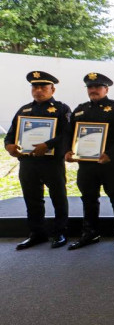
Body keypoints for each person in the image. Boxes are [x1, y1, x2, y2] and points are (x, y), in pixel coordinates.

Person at [5, 71, 71, 250]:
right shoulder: (24, 110)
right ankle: (37, 233)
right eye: (35, 87)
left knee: (58, 197)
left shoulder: (61, 109)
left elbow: (67, 133)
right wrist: (9, 146)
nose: (38, 90)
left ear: (52, 89)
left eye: (43, 87)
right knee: (32, 198)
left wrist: (48, 145)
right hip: (28, 162)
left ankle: (60, 232)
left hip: (51, 162)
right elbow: (10, 134)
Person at [65, 72, 114, 250]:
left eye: (97, 87)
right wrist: (67, 151)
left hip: (111, 163)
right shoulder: (80, 110)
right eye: (90, 87)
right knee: (88, 198)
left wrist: (110, 154)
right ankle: (90, 233)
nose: (93, 90)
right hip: (86, 164)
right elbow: (69, 133)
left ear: (106, 89)